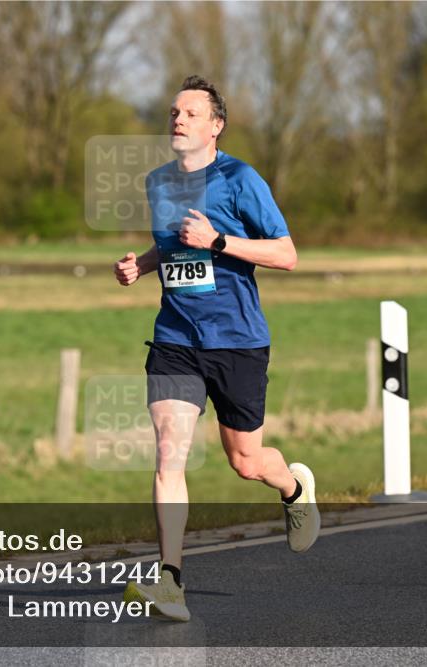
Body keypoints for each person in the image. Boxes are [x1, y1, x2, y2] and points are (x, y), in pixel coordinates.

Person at [116, 76, 320, 622]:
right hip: (176, 337)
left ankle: (295, 486)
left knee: (246, 461)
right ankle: (170, 580)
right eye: (173, 113)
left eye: (189, 113)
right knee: (168, 452)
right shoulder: (158, 182)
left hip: (237, 341)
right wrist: (143, 263)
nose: (177, 120)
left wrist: (221, 242)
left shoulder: (240, 178)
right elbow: (171, 243)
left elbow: (288, 254)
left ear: (215, 126)